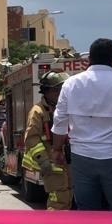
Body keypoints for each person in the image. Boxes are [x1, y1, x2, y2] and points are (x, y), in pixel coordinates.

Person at [51, 38, 112, 211]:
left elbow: (60, 121)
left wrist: (57, 149)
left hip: (82, 158)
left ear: (88, 59)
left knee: (87, 213)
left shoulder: (70, 84)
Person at [22, 71, 73, 210]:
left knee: (68, 197)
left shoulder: (62, 108)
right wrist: (43, 160)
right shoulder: (38, 111)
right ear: (47, 91)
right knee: (58, 201)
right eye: (57, 90)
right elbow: (31, 138)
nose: (61, 93)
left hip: (66, 163)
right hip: (51, 164)